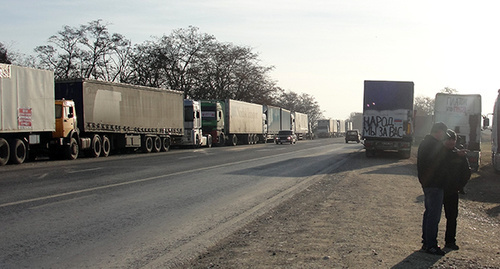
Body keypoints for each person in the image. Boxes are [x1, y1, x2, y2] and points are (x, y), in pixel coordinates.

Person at [417, 122, 449, 256]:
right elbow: (439, 165)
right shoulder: (434, 145)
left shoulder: (425, 143)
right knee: (434, 216)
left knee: (429, 213)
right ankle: (431, 244)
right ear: (439, 132)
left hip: (428, 184)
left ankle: (426, 242)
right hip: (435, 184)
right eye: (443, 134)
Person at [442, 129, 471, 250]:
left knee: (452, 216)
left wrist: (460, 186)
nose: (451, 142)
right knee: (434, 216)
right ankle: (429, 241)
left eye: (453, 139)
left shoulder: (460, 154)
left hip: (453, 190)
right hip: (439, 188)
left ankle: (450, 241)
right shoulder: (438, 153)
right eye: (448, 139)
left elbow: (467, 172)